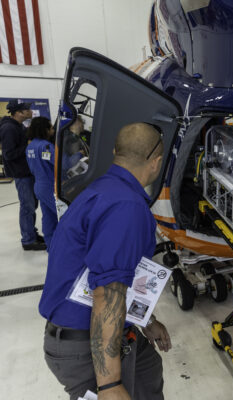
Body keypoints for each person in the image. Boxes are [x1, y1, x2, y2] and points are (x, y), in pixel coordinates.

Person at [39, 123, 171, 400]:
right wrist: (109, 384)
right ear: (156, 163)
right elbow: (108, 293)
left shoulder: (105, 189)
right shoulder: (126, 206)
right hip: (84, 346)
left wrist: (146, 320)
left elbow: (120, 275)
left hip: (94, 333)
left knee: (148, 372)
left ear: (115, 152)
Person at [0, 99, 45, 250]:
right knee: (27, 207)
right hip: (21, 174)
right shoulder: (9, 129)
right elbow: (9, 154)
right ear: (19, 113)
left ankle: (31, 233)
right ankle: (28, 240)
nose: (31, 111)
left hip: (27, 171)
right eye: (27, 109)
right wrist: (29, 147)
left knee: (32, 205)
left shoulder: (19, 126)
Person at [25, 117, 58, 249]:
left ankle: (51, 246)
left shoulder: (30, 146)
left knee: (48, 217)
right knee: (65, 216)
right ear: (45, 130)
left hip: (38, 185)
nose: (53, 130)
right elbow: (59, 165)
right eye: (51, 127)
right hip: (50, 186)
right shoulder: (46, 147)